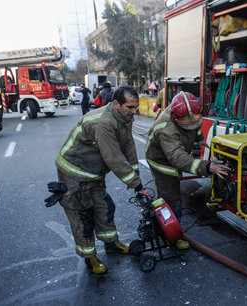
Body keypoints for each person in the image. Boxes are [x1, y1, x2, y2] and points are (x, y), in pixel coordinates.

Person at [50, 86, 152, 274]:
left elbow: (128, 146)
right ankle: (90, 257)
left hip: (94, 172)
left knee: (104, 208)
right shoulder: (104, 123)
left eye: (135, 107)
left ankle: (112, 244)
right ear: (116, 104)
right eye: (130, 107)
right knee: (83, 216)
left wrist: (135, 176)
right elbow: (113, 157)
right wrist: (136, 186)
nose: (134, 111)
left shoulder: (124, 118)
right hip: (75, 172)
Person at [145, 91, 230, 249]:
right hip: (161, 161)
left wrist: (200, 139)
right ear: (175, 116)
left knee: (171, 193)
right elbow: (177, 158)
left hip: (170, 154)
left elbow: (194, 125)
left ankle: (163, 224)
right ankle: (169, 236)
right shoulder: (166, 129)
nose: (191, 123)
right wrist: (207, 167)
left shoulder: (185, 112)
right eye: (187, 122)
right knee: (172, 197)